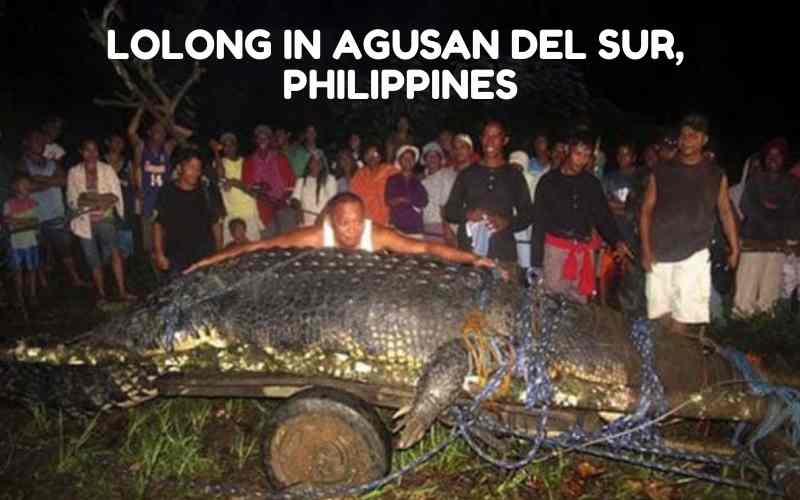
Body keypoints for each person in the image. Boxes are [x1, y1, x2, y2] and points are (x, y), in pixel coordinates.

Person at [184, 192, 495, 274]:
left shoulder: (377, 235)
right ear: (332, 222)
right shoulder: (317, 235)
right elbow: (260, 245)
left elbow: (427, 249)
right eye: (345, 223)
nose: (352, 230)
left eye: (358, 221)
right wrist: (207, 261)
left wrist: (473, 258)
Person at [640, 114, 739, 337]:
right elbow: (646, 210)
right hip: (660, 251)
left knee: (683, 318)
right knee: (659, 315)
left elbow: (725, 211)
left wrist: (735, 247)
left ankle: (677, 367)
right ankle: (661, 365)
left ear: (704, 140)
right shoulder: (662, 170)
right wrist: (646, 250)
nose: (687, 140)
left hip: (694, 253)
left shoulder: (715, 174)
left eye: (693, 136)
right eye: (684, 136)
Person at [530, 132, 632, 303]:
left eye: (586, 156)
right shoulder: (548, 182)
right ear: (568, 150)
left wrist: (617, 241)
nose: (581, 160)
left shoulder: (591, 184)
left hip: (583, 254)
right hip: (555, 252)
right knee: (551, 304)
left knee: (578, 309)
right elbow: (539, 223)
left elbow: (603, 216)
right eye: (578, 154)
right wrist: (536, 263)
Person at [444, 120, 533, 264]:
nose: (489, 141)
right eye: (486, 136)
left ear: (505, 140)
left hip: (503, 252)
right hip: (469, 253)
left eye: (495, 136)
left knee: (503, 286)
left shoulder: (514, 175)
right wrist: (468, 214)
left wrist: (507, 222)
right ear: (481, 139)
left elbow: (528, 213)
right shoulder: (467, 174)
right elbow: (450, 211)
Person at [67, 139, 136, 304]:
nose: (92, 154)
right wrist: (101, 199)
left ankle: (122, 291)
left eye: (95, 150)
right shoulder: (74, 172)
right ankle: (101, 294)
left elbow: (114, 196)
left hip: (106, 219)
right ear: (81, 152)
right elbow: (75, 200)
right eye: (88, 150)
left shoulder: (107, 169)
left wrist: (91, 199)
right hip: (84, 221)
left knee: (114, 253)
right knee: (93, 259)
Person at [734, 137, 794, 315]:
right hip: (753, 244)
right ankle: (741, 329)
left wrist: (783, 238)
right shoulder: (754, 180)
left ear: (784, 159)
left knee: (769, 297)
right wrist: (773, 220)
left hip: (777, 247)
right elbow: (747, 207)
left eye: (778, 155)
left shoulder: (792, 185)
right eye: (769, 155)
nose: (773, 158)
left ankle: (763, 331)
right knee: (745, 295)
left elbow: (792, 212)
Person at [18, 130, 85, 288]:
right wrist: (52, 181)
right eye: (36, 140)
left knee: (65, 249)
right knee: (38, 250)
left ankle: (76, 279)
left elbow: (65, 181)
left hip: (55, 212)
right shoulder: (22, 163)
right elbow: (25, 187)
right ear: (28, 142)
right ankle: (42, 283)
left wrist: (39, 181)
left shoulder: (51, 162)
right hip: (34, 215)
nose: (40, 143)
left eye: (42, 141)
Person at [128, 108, 192, 255]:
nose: (160, 132)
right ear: (149, 132)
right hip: (147, 202)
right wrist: (140, 110)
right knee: (150, 246)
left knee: (167, 242)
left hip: (166, 201)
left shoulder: (167, 149)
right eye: (156, 129)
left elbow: (187, 133)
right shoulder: (141, 147)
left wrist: (169, 123)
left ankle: (170, 275)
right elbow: (131, 132)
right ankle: (157, 276)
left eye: (163, 130)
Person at [152, 148, 217, 279]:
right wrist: (159, 253)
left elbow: (216, 223)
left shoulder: (207, 190)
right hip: (177, 257)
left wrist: (219, 254)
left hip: (204, 255)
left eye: (198, 168)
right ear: (180, 167)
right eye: (191, 167)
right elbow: (158, 223)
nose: (196, 172)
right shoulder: (167, 191)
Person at [243, 124, 297, 238]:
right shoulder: (249, 161)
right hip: (263, 212)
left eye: (265, 137)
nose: (262, 140)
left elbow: (291, 184)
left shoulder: (280, 157)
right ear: (255, 140)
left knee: (289, 242)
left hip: (282, 207)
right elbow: (248, 186)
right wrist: (259, 187)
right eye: (259, 137)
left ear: (270, 139)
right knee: (268, 247)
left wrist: (282, 199)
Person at [213, 132, 263, 245]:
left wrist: (234, 182)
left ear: (236, 146)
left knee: (253, 248)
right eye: (225, 145)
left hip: (249, 212)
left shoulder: (247, 162)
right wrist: (216, 151)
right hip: (232, 214)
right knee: (231, 252)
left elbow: (254, 190)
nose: (229, 148)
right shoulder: (220, 163)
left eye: (231, 144)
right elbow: (221, 176)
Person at [3, 175, 40, 311]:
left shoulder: (33, 202)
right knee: (17, 271)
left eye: (28, 184)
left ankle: (32, 295)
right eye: (23, 184)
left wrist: (18, 221)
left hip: (31, 241)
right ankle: (20, 297)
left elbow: (35, 222)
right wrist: (27, 222)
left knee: (32, 270)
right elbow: (7, 221)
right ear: (15, 187)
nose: (27, 187)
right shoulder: (9, 203)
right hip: (16, 243)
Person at [104, 133, 136, 258]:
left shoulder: (127, 162)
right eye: (115, 141)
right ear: (108, 143)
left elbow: (133, 183)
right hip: (105, 204)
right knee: (107, 232)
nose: (118, 144)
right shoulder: (100, 161)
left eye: (121, 142)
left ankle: (126, 259)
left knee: (125, 231)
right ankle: (108, 259)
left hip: (125, 202)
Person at [350, 144, 399, 226]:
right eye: (368, 154)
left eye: (375, 154)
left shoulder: (390, 171)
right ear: (364, 157)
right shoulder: (359, 175)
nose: (372, 157)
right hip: (366, 221)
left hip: (388, 222)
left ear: (380, 156)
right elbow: (354, 198)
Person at [385, 145, 428, 238]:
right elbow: (389, 201)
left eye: (411, 158)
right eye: (404, 158)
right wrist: (409, 200)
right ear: (399, 161)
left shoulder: (418, 180)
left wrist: (402, 199)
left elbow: (424, 201)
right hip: (397, 227)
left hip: (415, 227)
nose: (408, 160)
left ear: (414, 161)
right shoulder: (392, 179)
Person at [421, 141, 457, 244]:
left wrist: (447, 228)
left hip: (445, 228)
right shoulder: (422, 182)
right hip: (427, 227)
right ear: (425, 160)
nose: (432, 159)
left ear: (441, 159)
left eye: (435, 155)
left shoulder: (448, 175)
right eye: (429, 156)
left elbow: (446, 203)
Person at [291, 148, 337, 226]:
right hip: (305, 223)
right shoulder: (301, 180)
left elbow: (333, 201)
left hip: (324, 222)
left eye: (319, 161)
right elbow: (295, 199)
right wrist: (299, 210)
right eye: (313, 160)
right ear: (309, 163)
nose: (316, 163)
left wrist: (321, 217)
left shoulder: (330, 179)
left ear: (322, 164)